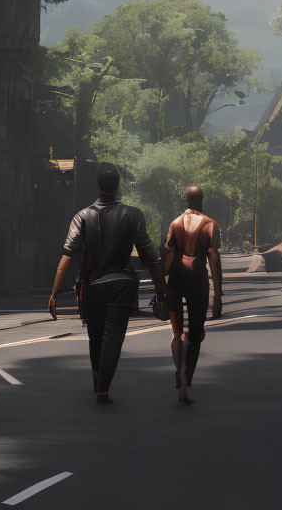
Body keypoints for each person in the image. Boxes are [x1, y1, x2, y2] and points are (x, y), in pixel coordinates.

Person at [48, 162, 165, 404]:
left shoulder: (81, 216)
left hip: (92, 285)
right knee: (113, 336)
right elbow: (152, 260)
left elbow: (66, 258)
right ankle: (103, 390)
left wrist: (54, 293)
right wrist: (161, 291)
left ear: (97, 184)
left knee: (95, 335)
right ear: (118, 184)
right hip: (122, 284)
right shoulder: (134, 215)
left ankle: (97, 379)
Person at [164, 186, 223, 405]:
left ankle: (179, 370)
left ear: (187, 199)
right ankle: (186, 381)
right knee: (196, 334)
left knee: (177, 332)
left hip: (177, 278)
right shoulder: (210, 225)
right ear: (202, 200)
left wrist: (162, 285)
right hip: (197, 279)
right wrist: (218, 295)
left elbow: (169, 255)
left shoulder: (176, 222)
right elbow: (214, 259)